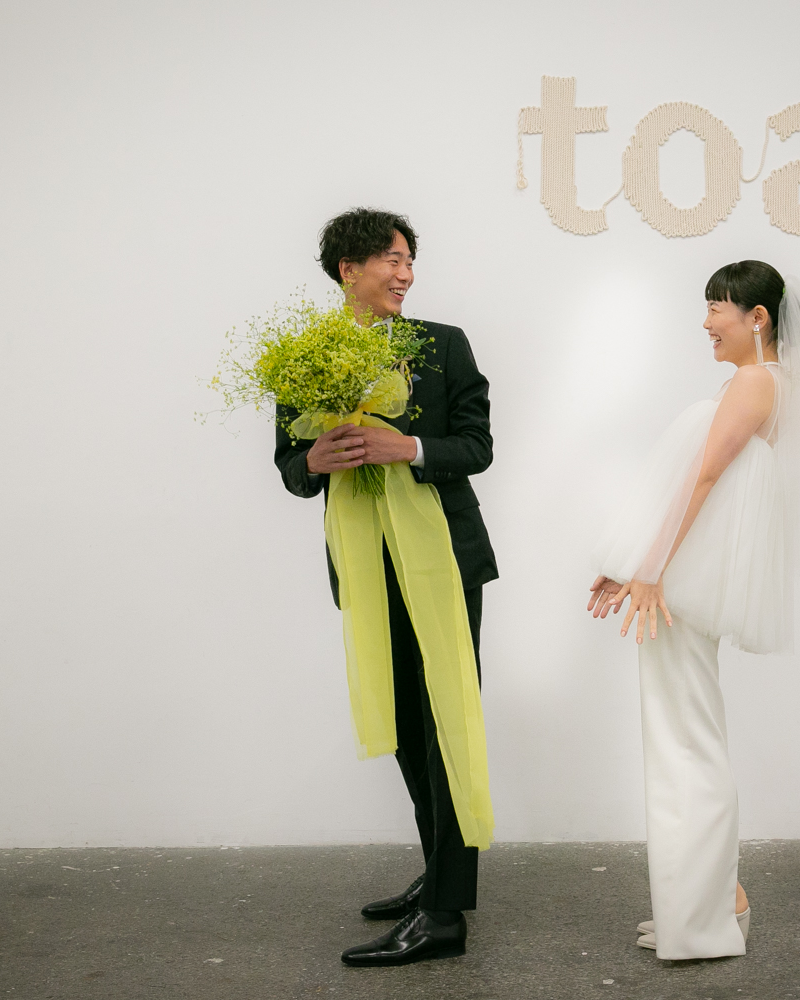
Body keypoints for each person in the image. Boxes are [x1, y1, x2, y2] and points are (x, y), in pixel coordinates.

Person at [587, 260, 800, 960]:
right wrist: (630, 565)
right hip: (690, 578)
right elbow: (700, 483)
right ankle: (705, 907)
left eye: (716, 308)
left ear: (757, 317)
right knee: (689, 739)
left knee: (684, 746)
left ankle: (709, 916)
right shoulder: (771, 382)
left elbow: (703, 478)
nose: (705, 323)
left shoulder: (754, 383)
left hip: (682, 585)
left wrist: (649, 571)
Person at [274, 207, 499, 966]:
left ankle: (445, 916)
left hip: (444, 562)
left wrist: (408, 447)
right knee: (404, 723)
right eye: (392, 261)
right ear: (349, 269)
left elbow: (476, 446)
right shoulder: (304, 357)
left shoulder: (443, 344)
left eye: (409, 262)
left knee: (447, 725)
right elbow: (290, 467)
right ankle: (439, 872)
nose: (405, 274)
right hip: (367, 565)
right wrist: (315, 461)